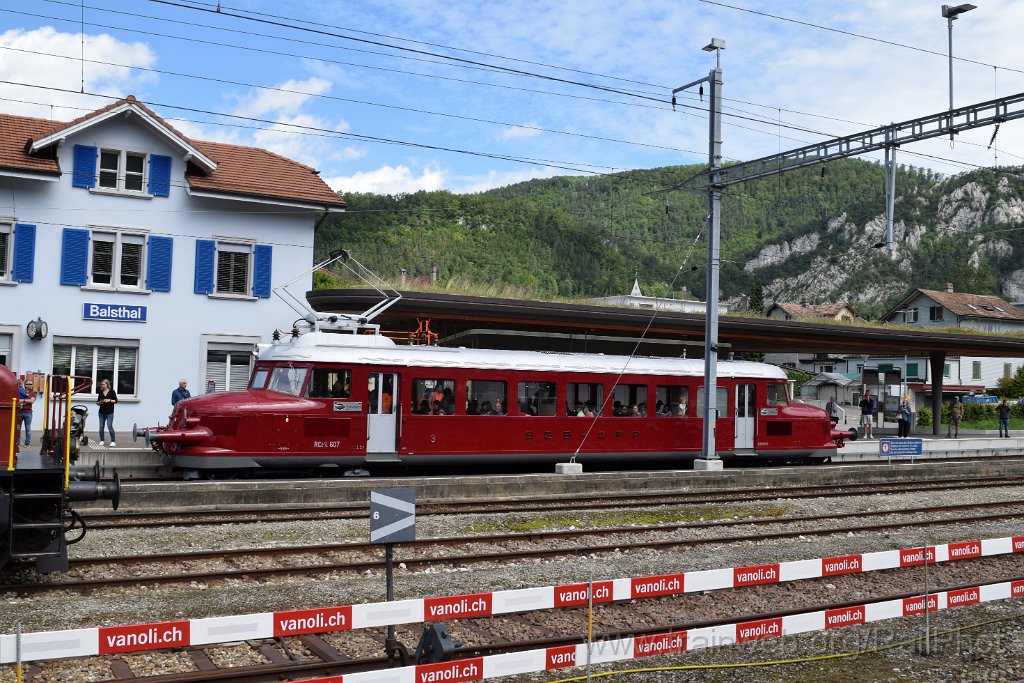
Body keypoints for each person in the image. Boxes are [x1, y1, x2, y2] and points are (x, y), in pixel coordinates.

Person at [96, 379, 118, 447]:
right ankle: (102, 440)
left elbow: (116, 401)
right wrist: (100, 402)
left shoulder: (112, 391)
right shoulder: (100, 392)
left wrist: (109, 400)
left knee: (109, 426)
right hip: (101, 412)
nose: (102, 385)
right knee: (101, 427)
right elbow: (97, 402)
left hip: (109, 413)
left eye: (103, 384)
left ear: (107, 384)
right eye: (101, 384)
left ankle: (113, 441)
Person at [15, 377, 35, 447]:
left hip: (28, 413)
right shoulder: (20, 391)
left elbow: (31, 401)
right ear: (26, 385)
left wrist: (23, 401)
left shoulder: (33, 393)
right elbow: (17, 400)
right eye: (30, 384)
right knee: (17, 428)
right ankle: (17, 443)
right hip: (20, 412)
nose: (31, 385)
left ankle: (27, 443)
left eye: (32, 384)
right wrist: (26, 401)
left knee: (28, 429)